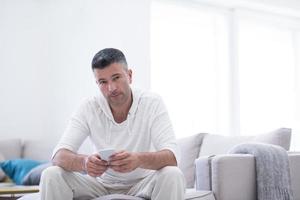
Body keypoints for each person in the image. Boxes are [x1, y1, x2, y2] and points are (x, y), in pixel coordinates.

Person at [40, 48, 186, 200]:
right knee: (51, 174)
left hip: (143, 183)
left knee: (173, 174)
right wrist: (84, 162)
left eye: (116, 77)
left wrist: (138, 160)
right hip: (100, 185)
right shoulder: (89, 107)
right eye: (103, 82)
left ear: (129, 76)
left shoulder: (152, 102)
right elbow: (58, 155)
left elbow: (173, 156)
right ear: (97, 83)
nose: (112, 88)